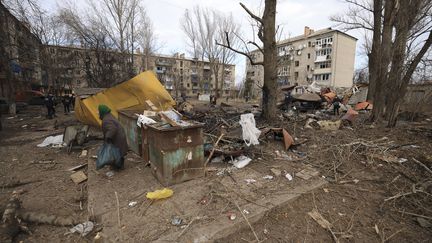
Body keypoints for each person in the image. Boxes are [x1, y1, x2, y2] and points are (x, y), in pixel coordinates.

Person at [98, 104, 128, 170]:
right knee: (119, 151)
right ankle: (119, 165)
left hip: (117, 138)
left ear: (102, 112)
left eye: (98, 111)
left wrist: (108, 137)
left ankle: (118, 167)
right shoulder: (109, 116)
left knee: (115, 152)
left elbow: (112, 129)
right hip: (119, 136)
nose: (98, 113)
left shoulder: (106, 119)